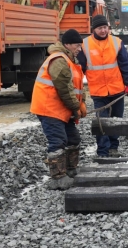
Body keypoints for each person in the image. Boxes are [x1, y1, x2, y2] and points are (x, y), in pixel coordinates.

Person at [30, 29, 87, 190]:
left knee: (73, 139)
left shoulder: (69, 60)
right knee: (58, 141)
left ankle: (70, 170)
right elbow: (64, 89)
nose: (79, 49)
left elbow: (76, 87)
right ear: (67, 44)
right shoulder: (59, 60)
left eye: (80, 46)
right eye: (77, 45)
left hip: (61, 109)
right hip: (49, 109)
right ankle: (58, 178)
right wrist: (76, 107)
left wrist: (81, 103)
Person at [78, 14, 128, 158]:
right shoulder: (85, 45)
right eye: (99, 28)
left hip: (117, 89)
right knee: (101, 122)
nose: (103, 31)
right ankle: (103, 152)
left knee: (116, 121)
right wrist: (78, 91)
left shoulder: (117, 42)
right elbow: (79, 69)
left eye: (105, 27)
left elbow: (125, 64)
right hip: (98, 92)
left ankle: (113, 148)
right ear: (93, 30)